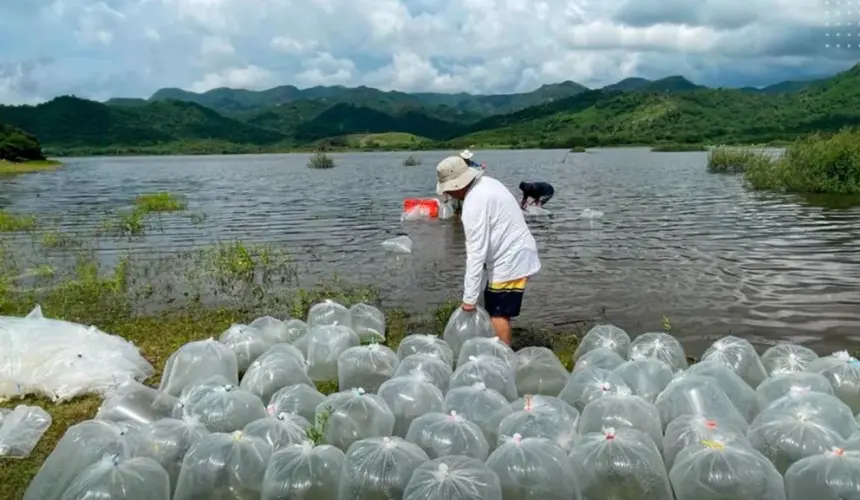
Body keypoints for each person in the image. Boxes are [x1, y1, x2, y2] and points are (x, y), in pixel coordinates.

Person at [436, 156, 541, 345]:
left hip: (510, 259)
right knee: (493, 306)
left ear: (458, 185)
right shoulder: (487, 183)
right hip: (511, 254)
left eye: (450, 189)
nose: (450, 194)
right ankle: (498, 353)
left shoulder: (473, 203)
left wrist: (469, 300)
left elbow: (476, 253)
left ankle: (504, 360)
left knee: (498, 315)